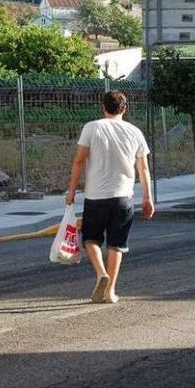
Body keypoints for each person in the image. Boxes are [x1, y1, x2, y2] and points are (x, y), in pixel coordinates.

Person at [66, 90, 155, 304]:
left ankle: (100, 273)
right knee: (117, 244)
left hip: (95, 196)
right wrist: (148, 198)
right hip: (123, 197)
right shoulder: (135, 132)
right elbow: (143, 169)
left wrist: (71, 191)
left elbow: (79, 161)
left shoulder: (92, 127)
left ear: (103, 107)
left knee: (90, 239)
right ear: (124, 108)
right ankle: (110, 291)